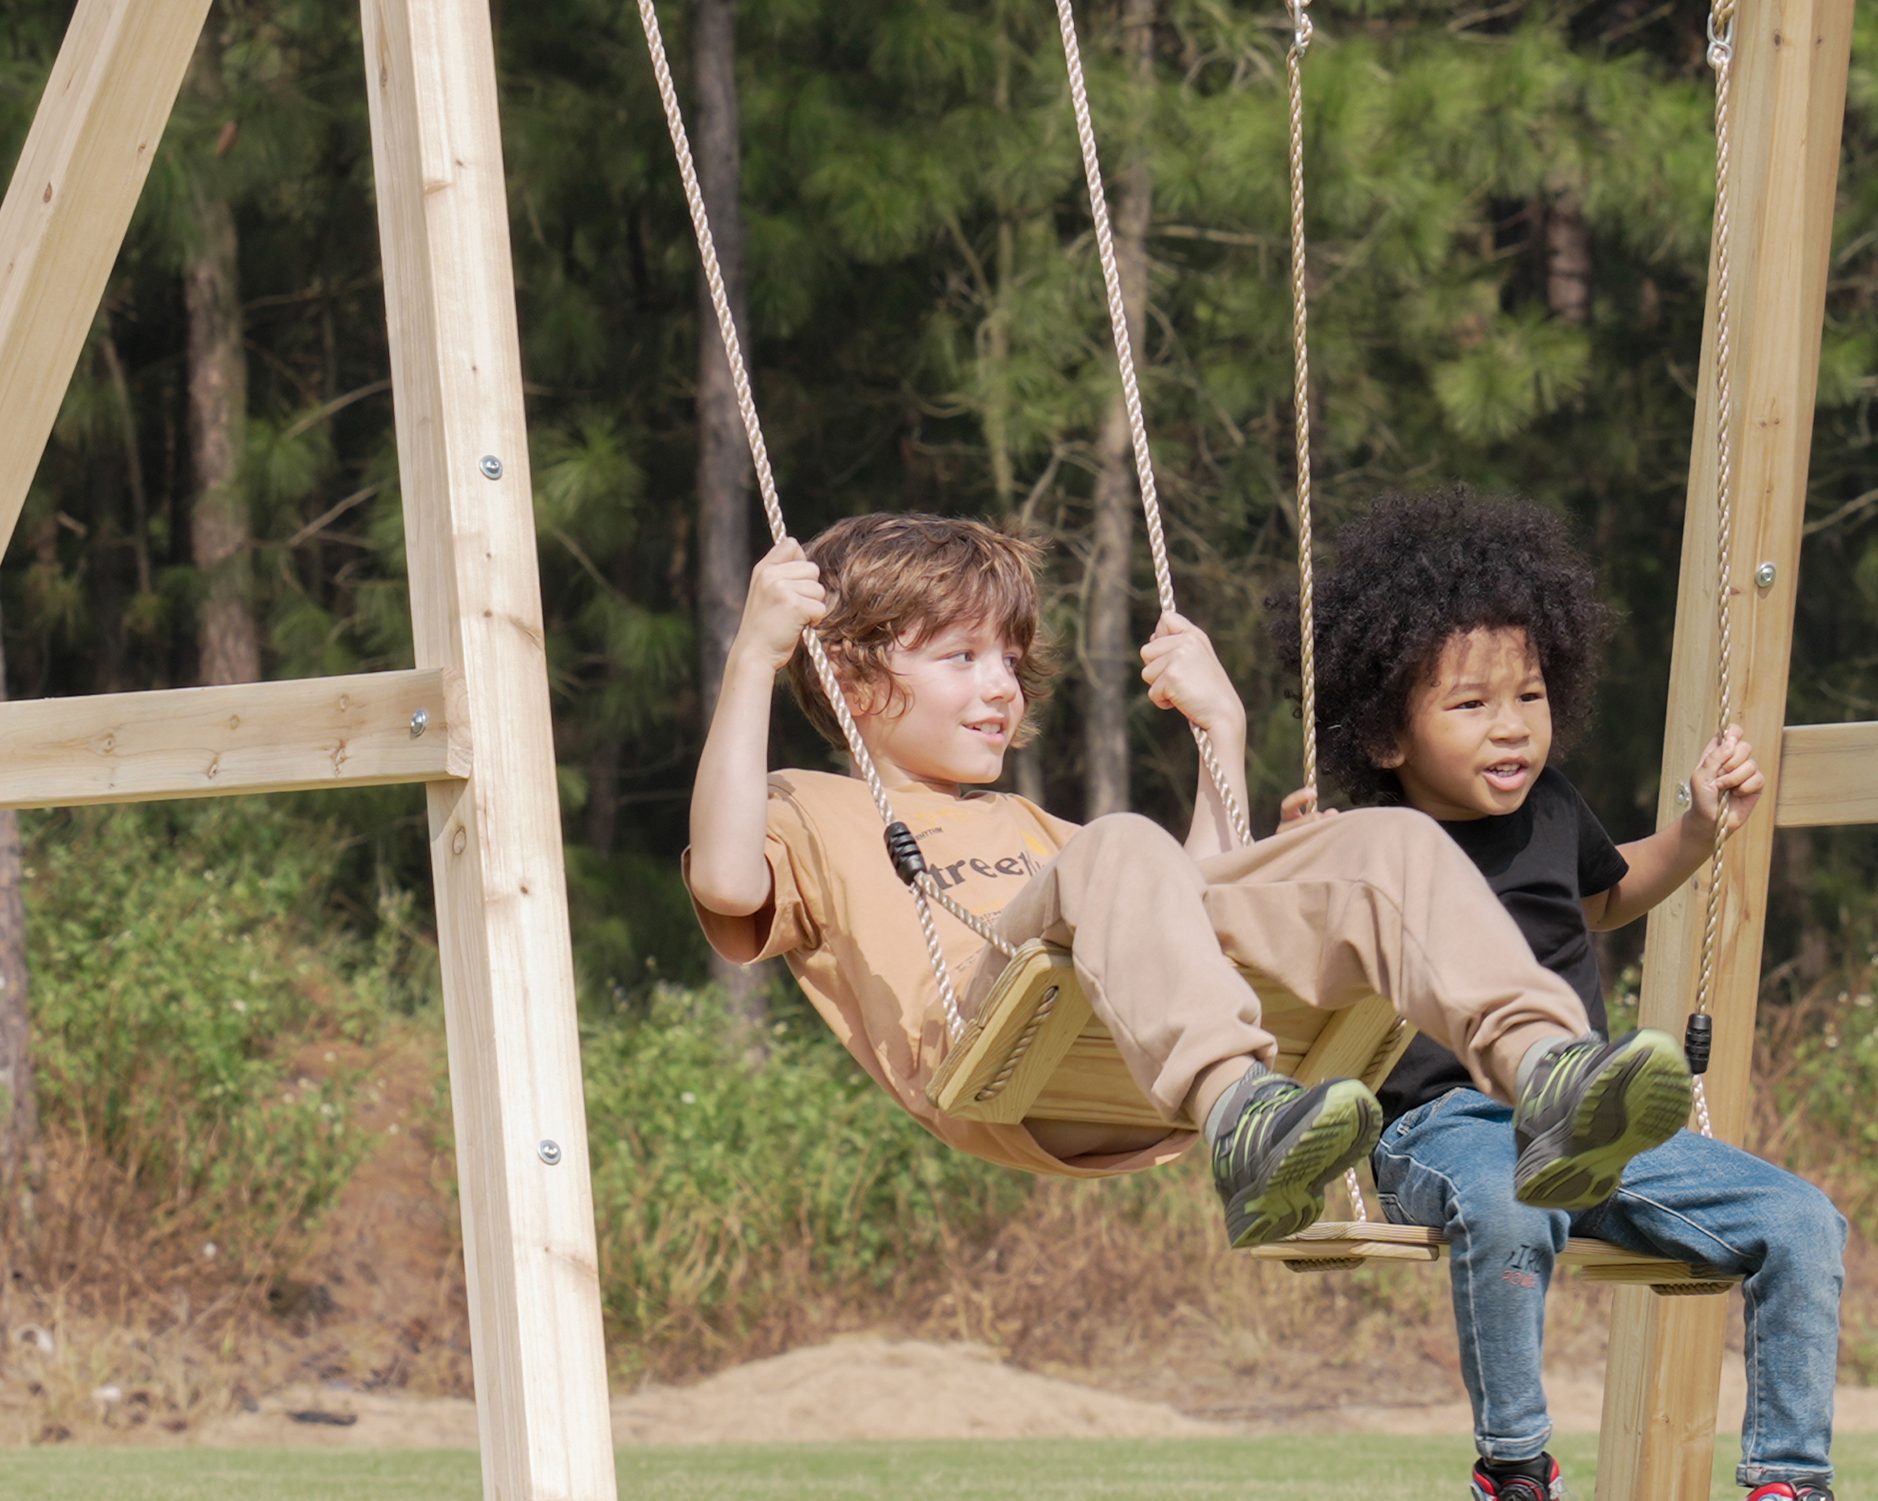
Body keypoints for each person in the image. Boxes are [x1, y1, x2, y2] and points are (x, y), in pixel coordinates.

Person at [682, 512, 1701, 1248]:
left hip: (1122, 1055)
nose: (1000, 686)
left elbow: (1193, 916)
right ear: (853, 681)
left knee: (1383, 843)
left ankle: (1545, 1071)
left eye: (1009, 658)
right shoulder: (812, 806)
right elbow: (728, 882)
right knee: (1124, 845)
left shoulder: (1038, 826)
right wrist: (754, 658)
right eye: (960, 657)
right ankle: (1242, 1119)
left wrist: (1223, 730)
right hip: (993, 1056)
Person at [1298, 487, 1878, 1501]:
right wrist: (1298, 855)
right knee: (1506, 1202)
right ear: (1387, 731)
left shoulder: (1550, 812)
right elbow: (1294, 972)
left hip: (1586, 1126)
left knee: (1801, 1221)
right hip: (1446, 1128)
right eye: (1470, 704)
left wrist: (1691, 831)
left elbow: (1605, 895)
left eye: (1528, 696)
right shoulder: (1366, 837)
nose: (1511, 727)